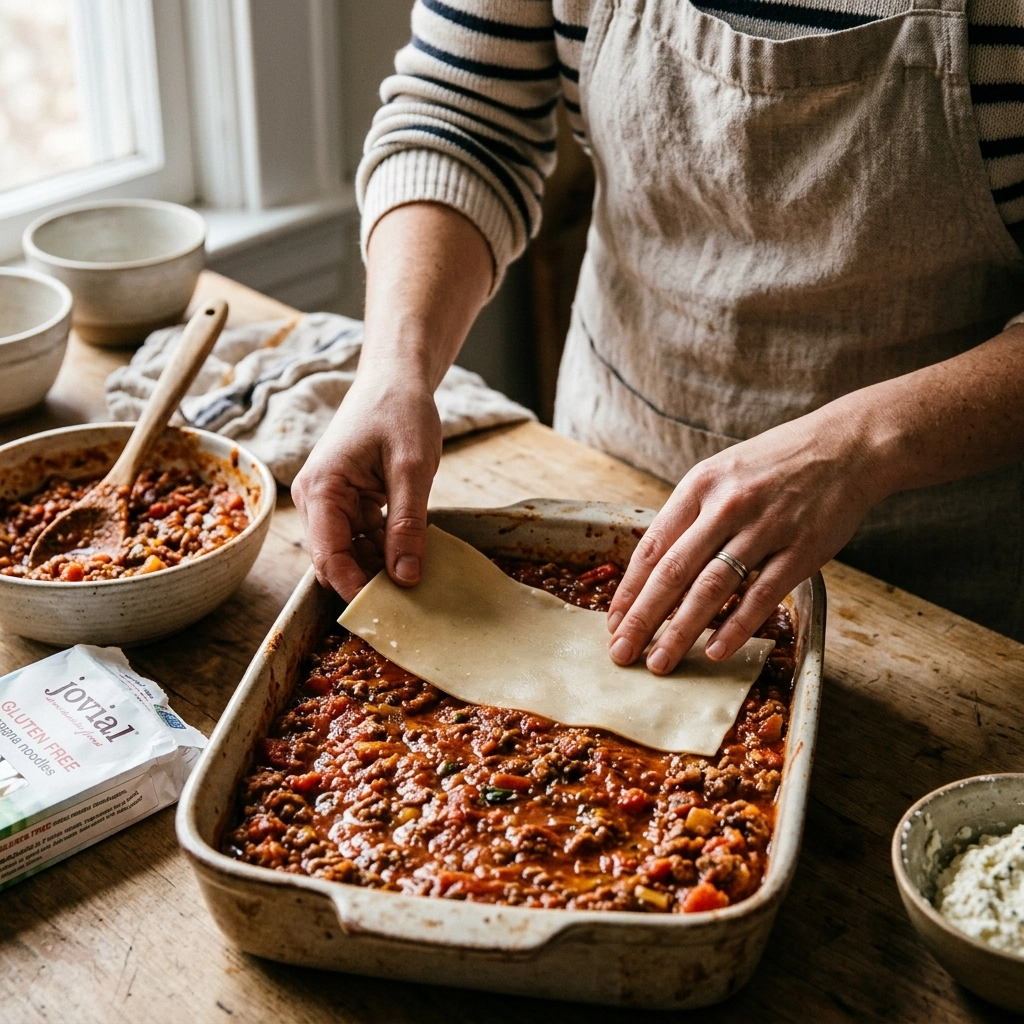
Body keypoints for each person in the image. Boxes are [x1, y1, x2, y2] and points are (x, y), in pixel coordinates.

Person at [293, 0, 1024, 674]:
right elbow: (462, 119)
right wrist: (394, 367)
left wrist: (861, 445)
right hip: (616, 476)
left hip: (941, 556)